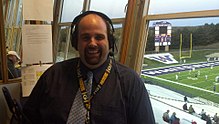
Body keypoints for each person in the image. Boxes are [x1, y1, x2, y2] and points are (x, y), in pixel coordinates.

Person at [23, 11, 155, 124]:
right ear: (76, 42)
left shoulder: (131, 83)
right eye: (85, 37)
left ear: (110, 42)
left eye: (99, 37)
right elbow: (27, 119)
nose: (92, 43)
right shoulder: (53, 75)